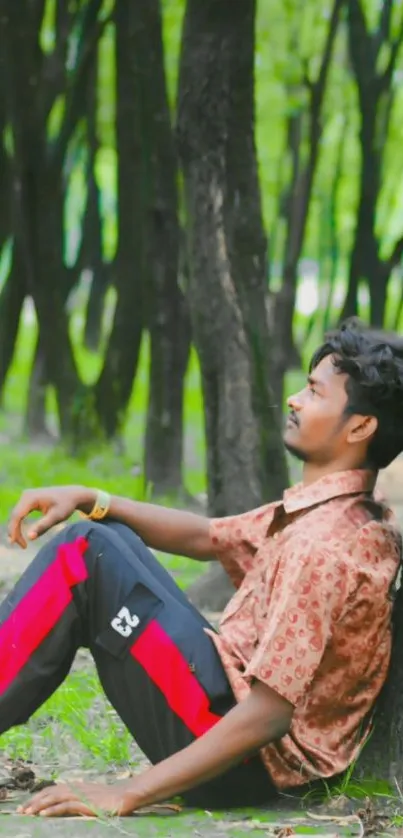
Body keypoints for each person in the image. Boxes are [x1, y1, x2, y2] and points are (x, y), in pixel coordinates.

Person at [3, 319, 403, 818]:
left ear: (361, 426)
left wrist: (129, 791)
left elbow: (268, 715)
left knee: (87, 553)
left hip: (240, 757)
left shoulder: (325, 545)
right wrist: (91, 498)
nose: (295, 400)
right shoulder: (339, 514)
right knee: (101, 537)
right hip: (232, 726)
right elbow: (205, 536)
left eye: (315, 393)